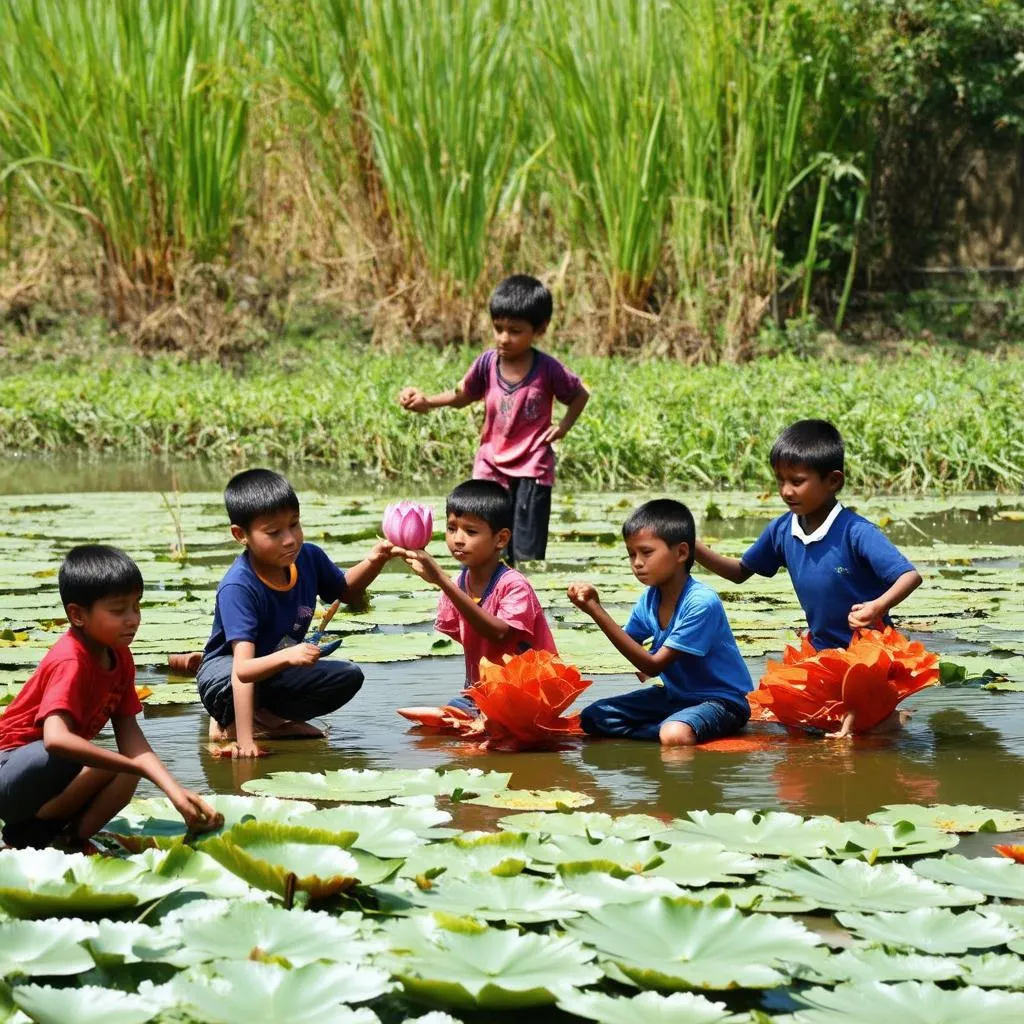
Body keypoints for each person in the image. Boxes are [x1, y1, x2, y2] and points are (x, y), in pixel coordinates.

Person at [0, 545, 222, 850]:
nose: (132, 619)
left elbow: (130, 735)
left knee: (129, 763)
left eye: (136, 606)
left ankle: (72, 838)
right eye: (118, 610)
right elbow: (56, 740)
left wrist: (175, 792)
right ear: (77, 615)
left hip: (51, 772)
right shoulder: (71, 660)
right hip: (12, 770)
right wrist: (137, 767)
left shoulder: (121, 657)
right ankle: (27, 834)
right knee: (117, 762)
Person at [196, 469, 396, 759]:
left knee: (348, 676)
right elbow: (243, 671)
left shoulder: (309, 558)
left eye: (294, 524)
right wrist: (246, 742)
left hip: (275, 671)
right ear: (241, 535)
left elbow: (346, 591)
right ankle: (234, 726)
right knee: (240, 682)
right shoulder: (239, 586)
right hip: (225, 679)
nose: (290, 539)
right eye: (274, 533)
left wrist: (375, 560)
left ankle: (265, 720)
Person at [398, 274, 589, 564]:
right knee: (485, 547)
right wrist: (426, 402)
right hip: (490, 468)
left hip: (532, 469)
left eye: (514, 331)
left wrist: (563, 427)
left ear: (540, 329)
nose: (503, 338)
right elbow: (462, 395)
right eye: (498, 328)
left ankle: (523, 599)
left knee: (527, 554)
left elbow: (579, 394)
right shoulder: (487, 363)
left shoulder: (548, 369)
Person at [694, 419, 922, 651]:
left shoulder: (856, 532)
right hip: (823, 650)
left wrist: (877, 607)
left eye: (797, 481)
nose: (786, 491)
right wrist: (692, 546)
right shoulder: (781, 530)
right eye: (780, 480)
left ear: (833, 481)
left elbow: (909, 577)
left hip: (873, 651)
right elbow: (739, 572)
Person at [568, 499, 752, 747]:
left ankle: (674, 732)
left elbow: (653, 667)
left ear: (682, 553)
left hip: (721, 702)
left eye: (646, 552)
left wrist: (596, 611)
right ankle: (671, 731)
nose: (637, 563)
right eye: (631, 554)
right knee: (594, 717)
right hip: (674, 696)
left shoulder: (701, 602)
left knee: (673, 734)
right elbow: (632, 640)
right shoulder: (650, 597)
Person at [398, 479, 557, 717]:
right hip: (480, 693)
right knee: (437, 722)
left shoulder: (514, 585)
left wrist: (441, 580)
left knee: (470, 729)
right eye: (452, 529)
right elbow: (468, 636)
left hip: (529, 692)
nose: (458, 539)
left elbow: (497, 632)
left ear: (501, 539)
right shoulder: (459, 583)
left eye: (470, 531)